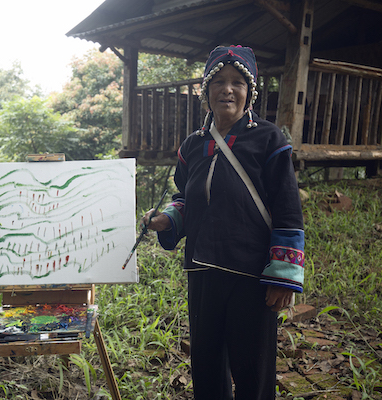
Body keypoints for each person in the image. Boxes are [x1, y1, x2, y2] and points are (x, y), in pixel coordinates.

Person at [142, 45, 304, 400]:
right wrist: (166, 220)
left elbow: (287, 208)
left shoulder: (269, 140)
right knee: (208, 366)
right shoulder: (192, 146)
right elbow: (185, 199)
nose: (227, 89)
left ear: (250, 93)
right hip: (203, 272)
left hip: (252, 276)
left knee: (254, 370)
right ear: (206, 90)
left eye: (237, 82)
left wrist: (284, 277)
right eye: (218, 81)